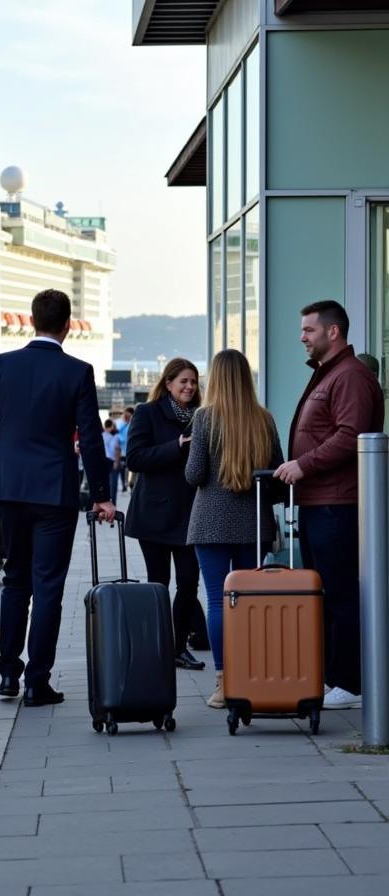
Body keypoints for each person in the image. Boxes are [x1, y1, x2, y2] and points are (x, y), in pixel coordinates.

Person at [0, 288, 115, 707]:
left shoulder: (0, 365)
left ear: (31, 321)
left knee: (15, 579)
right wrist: (102, 496)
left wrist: (14, 448)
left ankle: (7, 676)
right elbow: (91, 439)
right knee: (48, 585)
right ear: (67, 326)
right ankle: (38, 681)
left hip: (9, 487)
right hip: (55, 490)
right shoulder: (77, 371)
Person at [274, 300, 384, 711]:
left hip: (337, 504)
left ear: (332, 332)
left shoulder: (351, 376)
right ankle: (332, 678)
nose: (302, 338)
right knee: (324, 594)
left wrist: (303, 464)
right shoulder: (331, 374)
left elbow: (351, 435)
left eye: (309, 330)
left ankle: (350, 684)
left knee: (339, 595)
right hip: (320, 503)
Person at [186, 349, 285, 709]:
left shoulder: (204, 418)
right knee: (249, 601)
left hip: (209, 522)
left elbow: (193, 474)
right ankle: (251, 676)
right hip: (252, 523)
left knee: (217, 600)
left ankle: (223, 681)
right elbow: (277, 476)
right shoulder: (263, 419)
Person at [124, 357, 206, 673]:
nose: (189, 387)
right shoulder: (147, 412)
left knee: (188, 582)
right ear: (168, 383)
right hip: (154, 516)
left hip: (190, 514)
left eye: (193, 381)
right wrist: (177, 445)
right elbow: (135, 458)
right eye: (183, 381)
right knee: (159, 583)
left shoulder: (202, 416)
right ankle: (160, 647)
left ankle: (178, 645)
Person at [101, 419, 122, 504]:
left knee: (107, 483)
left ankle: (107, 502)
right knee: (113, 483)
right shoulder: (116, 436)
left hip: (105, 461)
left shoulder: (101, 435)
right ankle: (112, 502)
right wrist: (117, 462)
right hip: (111, 461)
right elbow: (118, 450)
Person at [116, 406, 134, 491]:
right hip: (121, 450)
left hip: (131, 449)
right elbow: (116, 432)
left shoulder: (133, 422)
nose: (127, 416)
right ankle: (124, 484)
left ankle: (130, 483)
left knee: (130, 468)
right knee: (122, 469)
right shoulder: (119, 422)